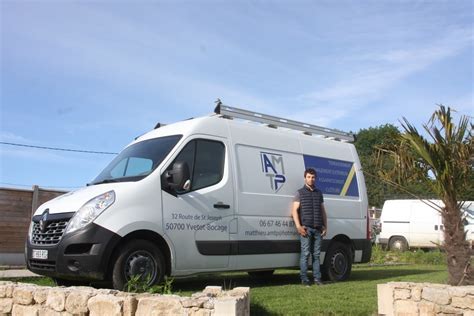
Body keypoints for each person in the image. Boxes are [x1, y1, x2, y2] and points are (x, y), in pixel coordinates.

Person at [291, 168, 327, 286]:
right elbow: (294, 211)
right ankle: (304, 279)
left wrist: (325, 226)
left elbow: (322, 211)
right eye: (309, 177)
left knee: (316, 255)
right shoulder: (300, 193)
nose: (311, 179)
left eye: (313, 177)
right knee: (305, 254)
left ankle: (317, 279)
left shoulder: (319, 193)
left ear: (315, 178)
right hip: (305, 229)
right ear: (305, 178)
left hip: (318, 229)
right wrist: (298, 227)